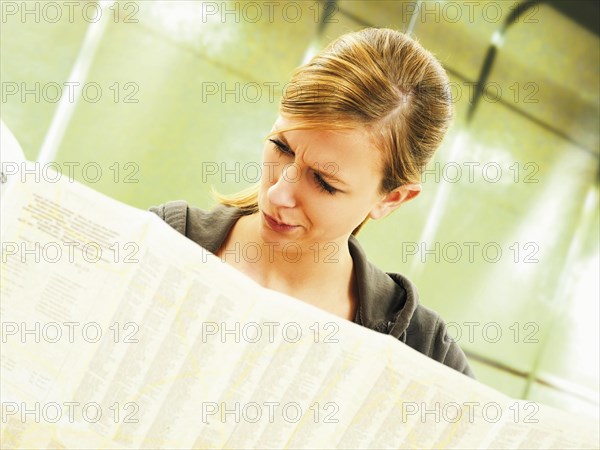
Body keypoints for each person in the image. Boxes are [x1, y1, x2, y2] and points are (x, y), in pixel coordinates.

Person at [150, 27, 474, 378]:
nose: (278, 194)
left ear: (392, 199)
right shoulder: (162, 240)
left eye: (324, 182)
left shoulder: (426, 351)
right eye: (281, 147)